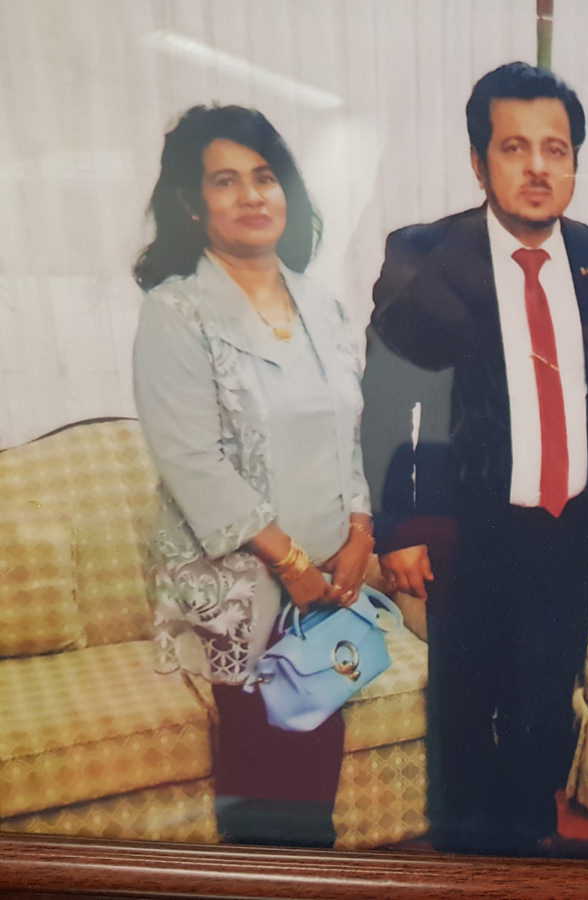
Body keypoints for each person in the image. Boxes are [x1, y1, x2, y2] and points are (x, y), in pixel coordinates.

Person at [366, 61, 588, 855]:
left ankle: (528, 853)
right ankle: (463, 865)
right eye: (514, 148)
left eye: (556, 149)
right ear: (478, 160)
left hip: (567, 526)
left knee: (545, 704)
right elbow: (386, 402)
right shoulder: (425, 254)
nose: (537, 167)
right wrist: (398, 527)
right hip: (464, 529)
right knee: (463, 706)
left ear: (576, 161)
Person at [131, 104, 375, 847]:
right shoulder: (177, 311)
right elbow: (192, 461)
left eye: (265, 177)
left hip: (327, 588)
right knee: (261, 794)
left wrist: (360, 531)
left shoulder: (322, 306)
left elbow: (350, 431)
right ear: (191, 204)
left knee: (316, 778)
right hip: (244, 591)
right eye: (226, 181)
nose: (252, 196)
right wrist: (294, 564)